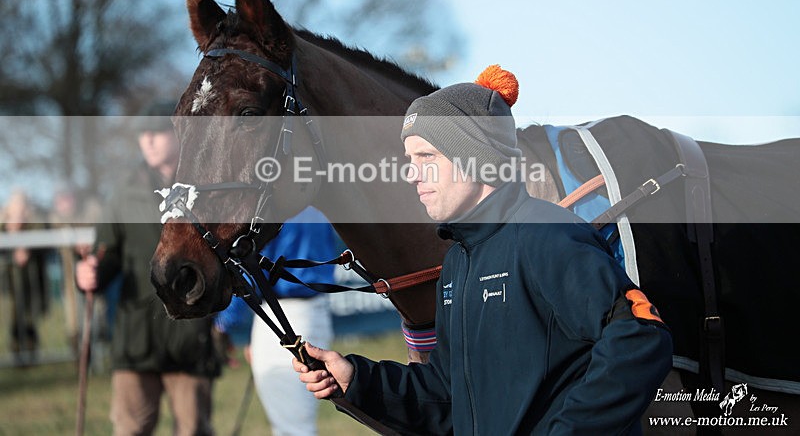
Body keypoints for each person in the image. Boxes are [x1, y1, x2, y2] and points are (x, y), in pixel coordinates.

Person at [293, 65, 674, 434]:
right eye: (410, 160)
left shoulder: (546, 234)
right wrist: (358, 381)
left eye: (426, 157)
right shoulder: (457, 262)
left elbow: (640, 336)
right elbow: (447, 397)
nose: (411, 174)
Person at [75, 101, 221, 436]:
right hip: (136, 338)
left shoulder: (208, 188)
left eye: (156, 132)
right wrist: (87, 276)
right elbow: (105, 255)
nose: (149, 141)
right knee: (130, 429)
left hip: (190, 334)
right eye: (143, 134)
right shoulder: (123, 193)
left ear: (178, 133)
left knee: (193, 429)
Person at [215, 206, 338, 436]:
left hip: (285, 313)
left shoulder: (273, 205)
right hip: (307, 311)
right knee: (293, 424)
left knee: (292, 428)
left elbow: (247, 266)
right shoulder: (314, 201)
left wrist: (224, 324)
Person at [0, 189, 50, 366]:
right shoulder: (3, 226)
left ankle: (31, 354)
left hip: (30, 284)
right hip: (9, 285)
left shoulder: (34, 224)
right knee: (13, 318)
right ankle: (16, 355)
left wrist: (26, 248)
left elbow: (44, 238)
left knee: (29, 318)